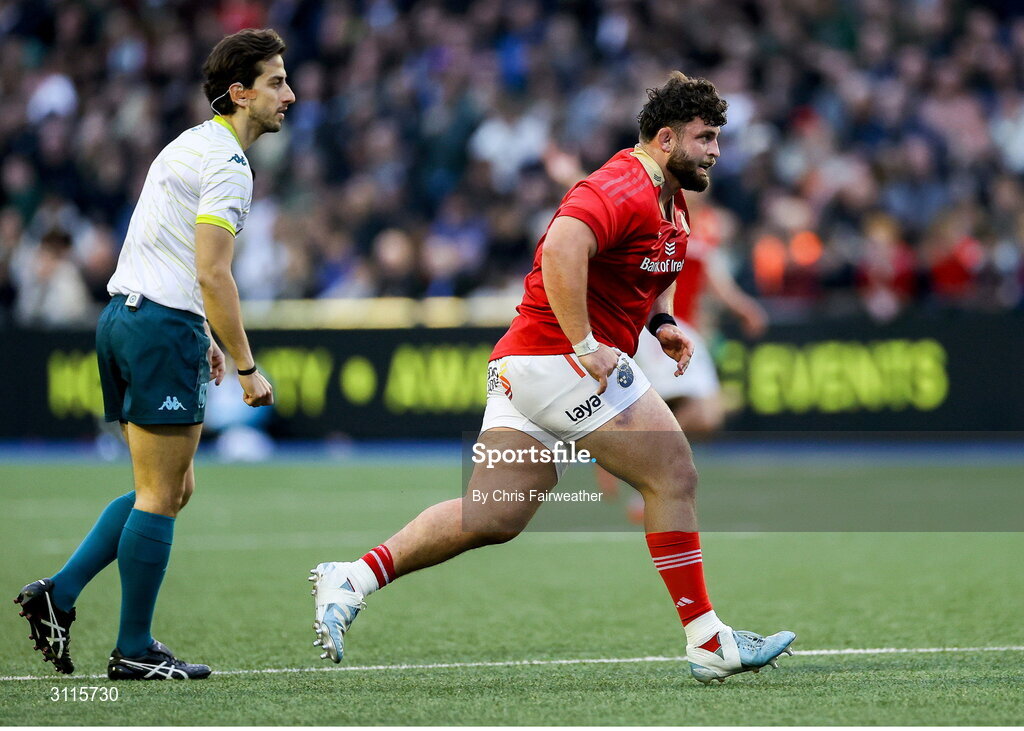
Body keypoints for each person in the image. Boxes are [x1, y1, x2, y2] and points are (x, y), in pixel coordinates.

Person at [309, 72, 795, 684]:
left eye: (719, 138)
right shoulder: (622, 184)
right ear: (667, 139)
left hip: (522, 365)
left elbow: (662, 260)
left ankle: (351, 578)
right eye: (706, 138)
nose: (716, 151)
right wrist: (586, 345)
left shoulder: (669, 196)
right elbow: (564, 245)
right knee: (674, 473)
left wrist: (664, 320)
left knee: (490, 517)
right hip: (556, 360)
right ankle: (707, 638)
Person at [15, 28, 291, 680]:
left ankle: (58, 593)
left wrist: (197, 332)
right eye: (277, 82)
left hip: (126, 317)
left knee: (169, 486)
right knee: (162, 490)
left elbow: (166, 251)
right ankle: (133, 648)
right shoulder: (226, 163)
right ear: (239, 92)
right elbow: (212, 272)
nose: (291, 95)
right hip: (159, 323)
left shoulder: (189, 144)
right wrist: (245, 365)